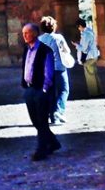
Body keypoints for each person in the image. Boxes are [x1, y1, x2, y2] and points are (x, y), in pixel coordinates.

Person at [21, 22, 61, 161]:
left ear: (35, 34)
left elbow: (49, 72)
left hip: (40, 90)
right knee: (35, 121)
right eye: (23, 33)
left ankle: (41, 150)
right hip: (29, 88)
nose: (24, 35)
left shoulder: (45, 50)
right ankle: (54, 142)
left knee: (42, 120)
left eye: (27, 32)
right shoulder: (26, 49)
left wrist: (44, 90)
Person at [37, 16, 71, 124]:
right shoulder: (58, 38)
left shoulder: (39, 39)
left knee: (50, 93)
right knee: (64, 90)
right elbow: (67, 50)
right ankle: (58, 111)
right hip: (59, 68)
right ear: (54, 27)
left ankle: (51, 116)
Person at [72, 19, 103, 97]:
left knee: (90, 75)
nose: (78, 29)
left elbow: (84, 48)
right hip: (94, 55)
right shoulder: (90, 31)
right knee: (95, 74)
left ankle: (94, 93)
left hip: (89, 56)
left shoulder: (85, 34)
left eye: (78, 27)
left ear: (80, 26)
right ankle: (99, 91)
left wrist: (76, 45)